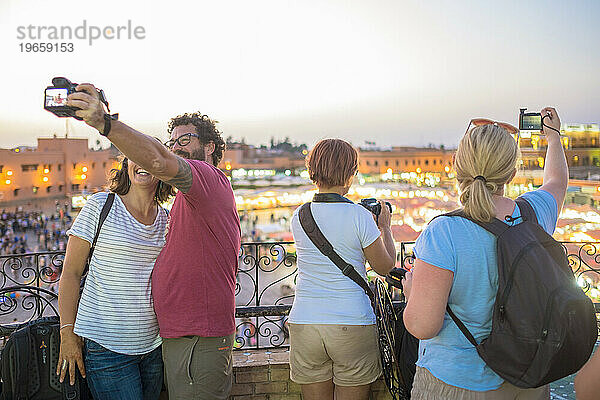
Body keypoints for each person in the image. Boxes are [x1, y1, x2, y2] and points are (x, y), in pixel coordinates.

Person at [67, 86, 241, 400]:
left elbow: (159, 160)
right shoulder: (179, 206)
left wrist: (105, 122)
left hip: (194, 338)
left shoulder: (207, 180)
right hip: (162, 340)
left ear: (210, 146)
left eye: (184, 140)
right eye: (172, 142)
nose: (176, 148)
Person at [402, 108, 567, 399]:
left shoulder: (444, 233)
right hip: (528, 378)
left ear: (456, 166)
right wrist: (553, 138)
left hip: (458, 381)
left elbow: (423, 326)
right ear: (512, 173)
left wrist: (412, 290)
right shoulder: (535, 213)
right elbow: (556, 182)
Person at [57, 157, 174, 399]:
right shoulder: (101, 205)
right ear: (125, 165)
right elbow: (70, 272)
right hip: (106, 349)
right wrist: (67, 333)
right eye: (136, 155)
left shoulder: (167, 219)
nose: (142, 161)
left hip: (153, 348)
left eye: (150, 156)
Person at [288, 138, 396, 400]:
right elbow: (385, 266)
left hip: (305, 321)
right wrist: (385, 227)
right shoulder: (359, 216)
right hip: (351, 321)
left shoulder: (299, 216)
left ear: (312, 169)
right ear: (350, 172)